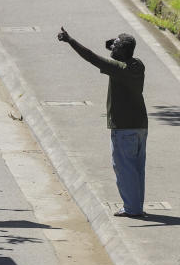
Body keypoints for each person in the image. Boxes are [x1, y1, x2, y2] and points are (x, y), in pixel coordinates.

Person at [57, 28, 149, 219]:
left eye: (115, 45)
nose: (111, 47)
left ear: (122, 52)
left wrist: (70, 40)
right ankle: (136, 206)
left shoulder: (119, 69)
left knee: (124, 168)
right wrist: (115, 46)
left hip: (124, 127)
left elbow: (91, 57)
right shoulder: (137, 65)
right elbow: (114, 49)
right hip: (140, 125)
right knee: (137, 168)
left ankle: (132, 209)